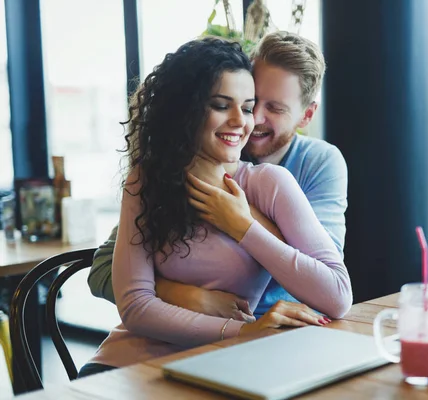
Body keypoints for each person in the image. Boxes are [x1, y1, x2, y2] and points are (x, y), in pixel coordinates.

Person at [78, 37, 351, 377]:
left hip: (238, 357)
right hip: (128, 363)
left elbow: (334, 293)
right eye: (223, 105)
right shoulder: (148, 179)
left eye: (252, 107)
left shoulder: (278, 179)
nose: (246, 121)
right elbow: (131, 299)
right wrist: (187, 298)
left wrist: (243, 225)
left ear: (305, 115)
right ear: (189, 109)